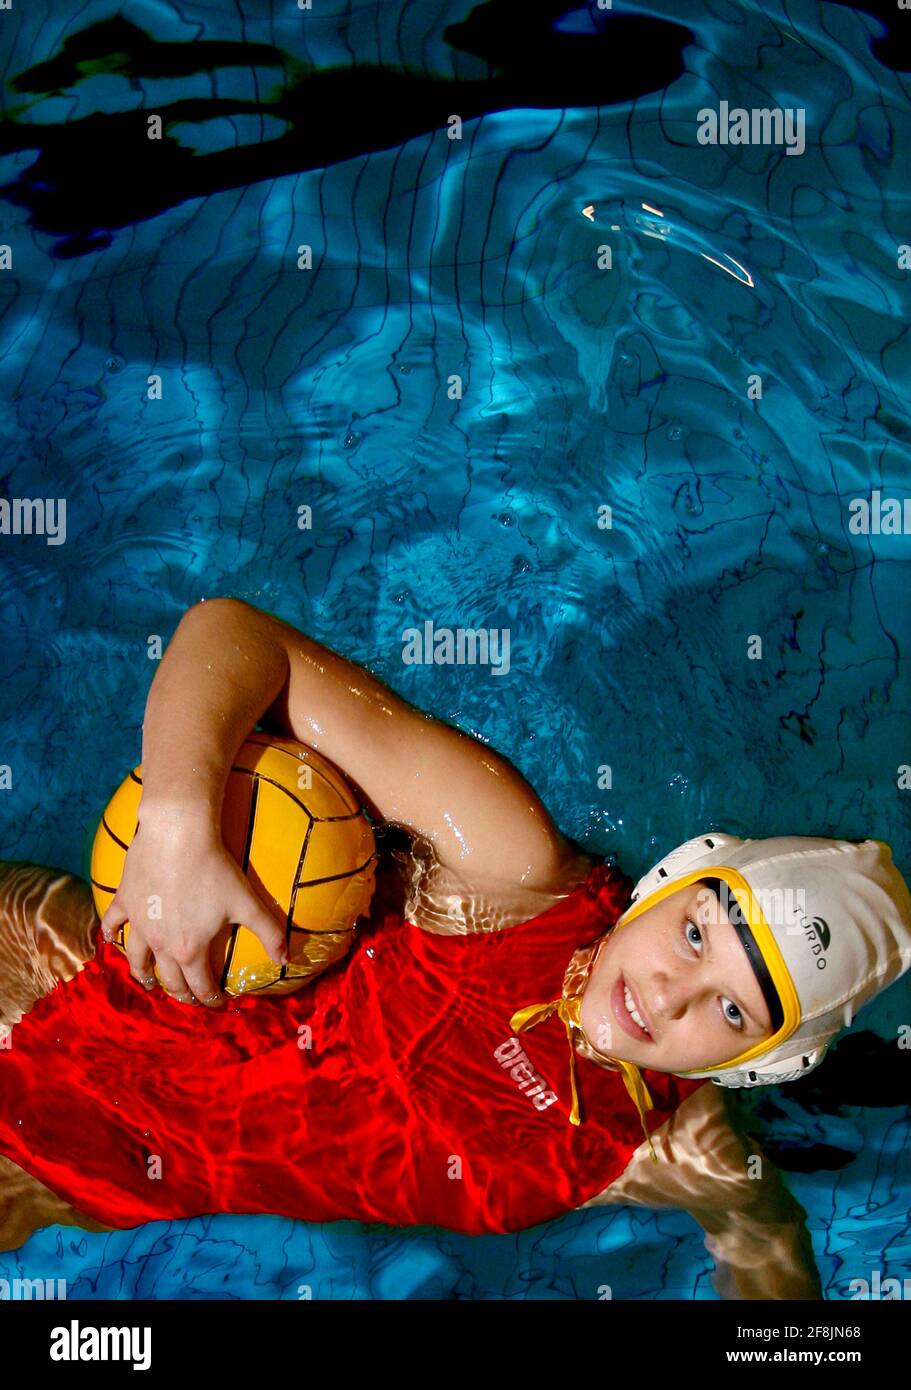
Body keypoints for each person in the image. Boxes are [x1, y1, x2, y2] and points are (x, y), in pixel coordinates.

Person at [1, 598, 908, 1298]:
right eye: (699, 930)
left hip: (71, 1174)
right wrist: (177, 823)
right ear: (669, 877)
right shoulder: (507, 872)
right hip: (45, 973)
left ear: (755, 1063)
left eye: (732, 1009)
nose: (671, 990)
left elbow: (765, 1245)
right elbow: (233, 635)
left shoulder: (660, 1152)